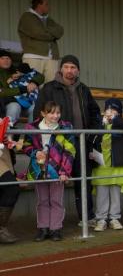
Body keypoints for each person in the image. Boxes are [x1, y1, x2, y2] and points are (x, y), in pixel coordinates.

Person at [34, 55, 102, 224]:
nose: (69, 70)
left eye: (73, 67)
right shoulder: (49, 88)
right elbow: (38, 113)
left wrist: (91, 136)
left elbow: (95, 113)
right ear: (61, 69)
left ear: (78, 70)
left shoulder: (83, 89)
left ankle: (86, 217)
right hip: (56, 144)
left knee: (83, 180)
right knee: (54, 182)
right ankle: (53, 224)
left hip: (81, 142)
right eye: (66, 67)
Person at [22, 101, 75, 241]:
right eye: (51, 113)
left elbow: (70, 151)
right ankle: (43, 228)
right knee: (42, 200)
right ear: (43, 113)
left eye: (58, 113)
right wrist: (35, 153)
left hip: (57, 170)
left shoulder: (66, 128)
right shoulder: (32, 128)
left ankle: (55, 229)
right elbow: (26, 146)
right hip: (38, 169)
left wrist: (64, 171)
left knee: (56, 200)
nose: (55, 116)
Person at [92, 99, 123, 231]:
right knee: (102, 194)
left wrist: (116, 119)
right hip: (101, 165)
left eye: (114, 110)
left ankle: (114, 218)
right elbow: (91, 137)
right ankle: (101, 219)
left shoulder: (121, 123)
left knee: (115, 194)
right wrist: (102, 124)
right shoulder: (99, 123)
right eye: (108, 109)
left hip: (116, 165)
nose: (110, 112)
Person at [17, 0, 63, 82]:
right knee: (33, 84)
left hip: (52, 57)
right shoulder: (27, 16)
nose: (48, 7)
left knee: (52, 84)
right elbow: (38, 33)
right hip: (34, 56)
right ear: (39, 5)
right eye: (46, 4)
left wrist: (46, 30)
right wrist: (52, 35)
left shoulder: (48, 19)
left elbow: (60, 31)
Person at [0, 52, 44, 125]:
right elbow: (2, 92)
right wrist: (22, 89)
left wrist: (34, 82)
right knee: (14, 106)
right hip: (6, 104)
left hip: (26, 102)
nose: (5, 60)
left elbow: (40, 76)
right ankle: (9, 130)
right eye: (2, 58)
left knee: (35, 107)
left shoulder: (17, 69)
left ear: (11, 60)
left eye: (7, 58)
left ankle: (31, 131)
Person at [0, 117, 21, 244]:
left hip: (4, 155)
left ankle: (1, 229)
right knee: (11, 187)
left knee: (8, 188)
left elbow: (14, 132)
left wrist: (9, 135)